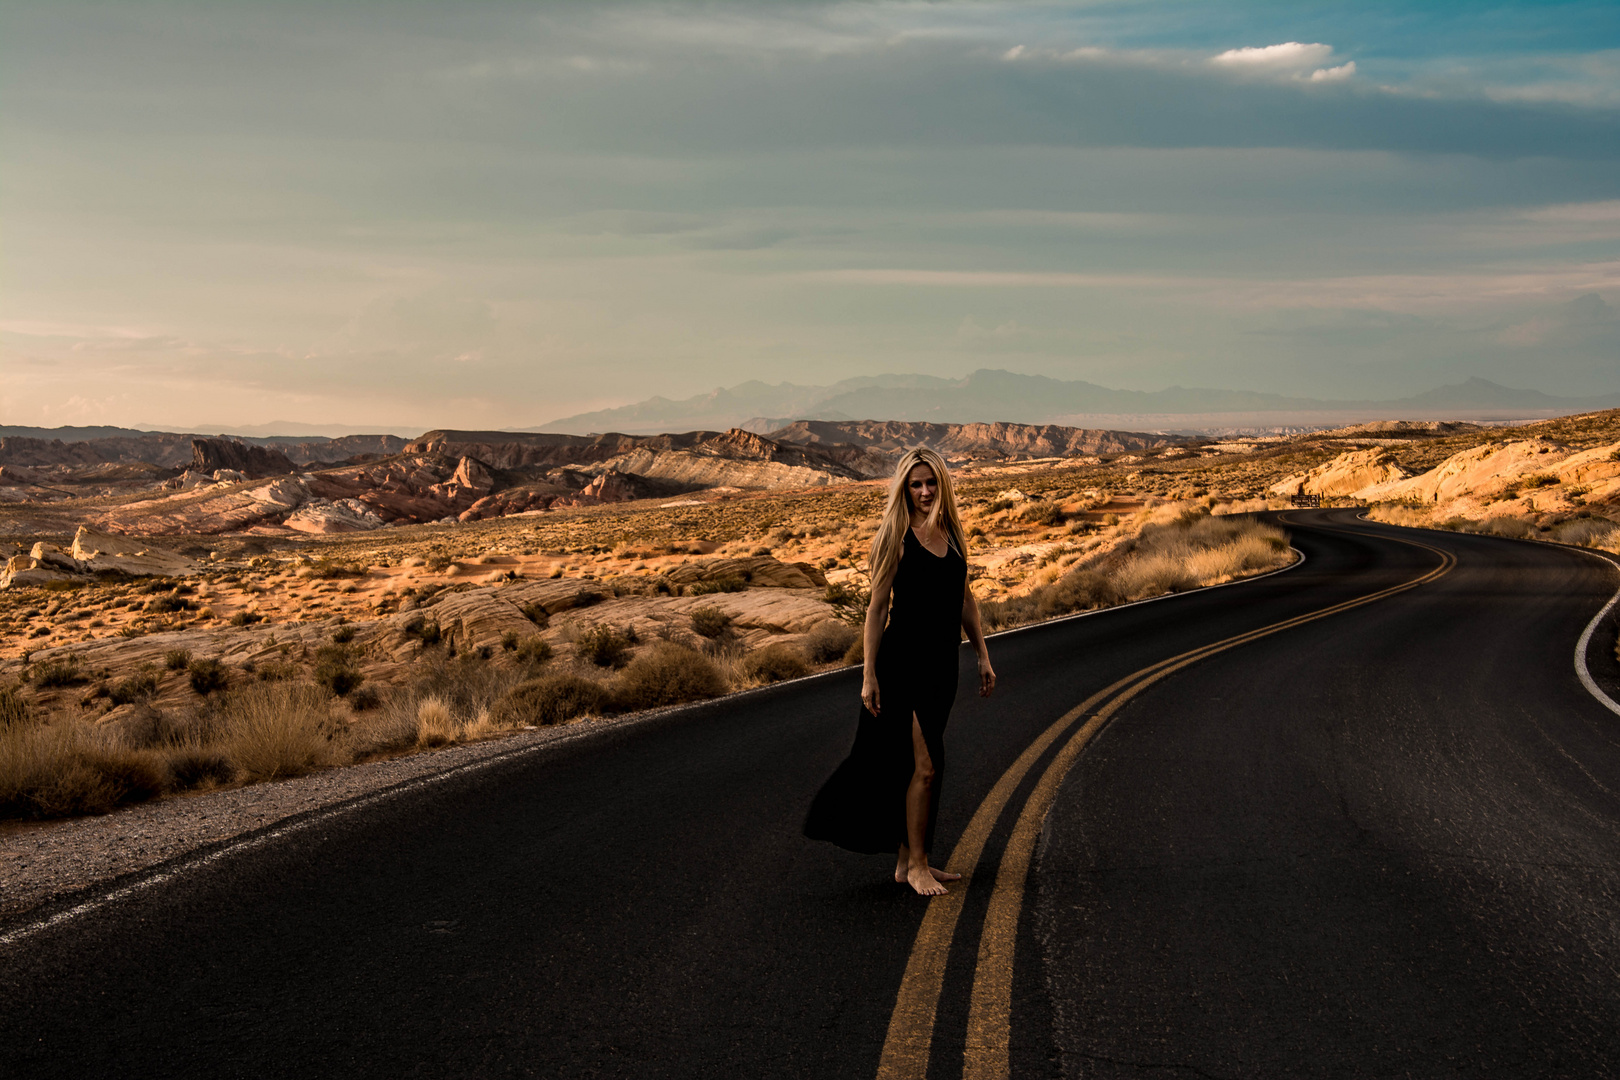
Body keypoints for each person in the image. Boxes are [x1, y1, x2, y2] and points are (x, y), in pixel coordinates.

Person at [803, 447, 996, 896]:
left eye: (931, 482)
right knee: (925, 765)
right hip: (902, 663)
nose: (925, 491)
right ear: (904, 489)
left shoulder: (952, 533)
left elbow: (965, 600)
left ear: (942, 483)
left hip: (943, 665)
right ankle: (917, 866)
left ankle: (907, 860)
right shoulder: (896, 537)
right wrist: (869, 674)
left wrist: (983, 654)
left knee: (922, 763)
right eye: (916, 484)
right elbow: (875, 610)